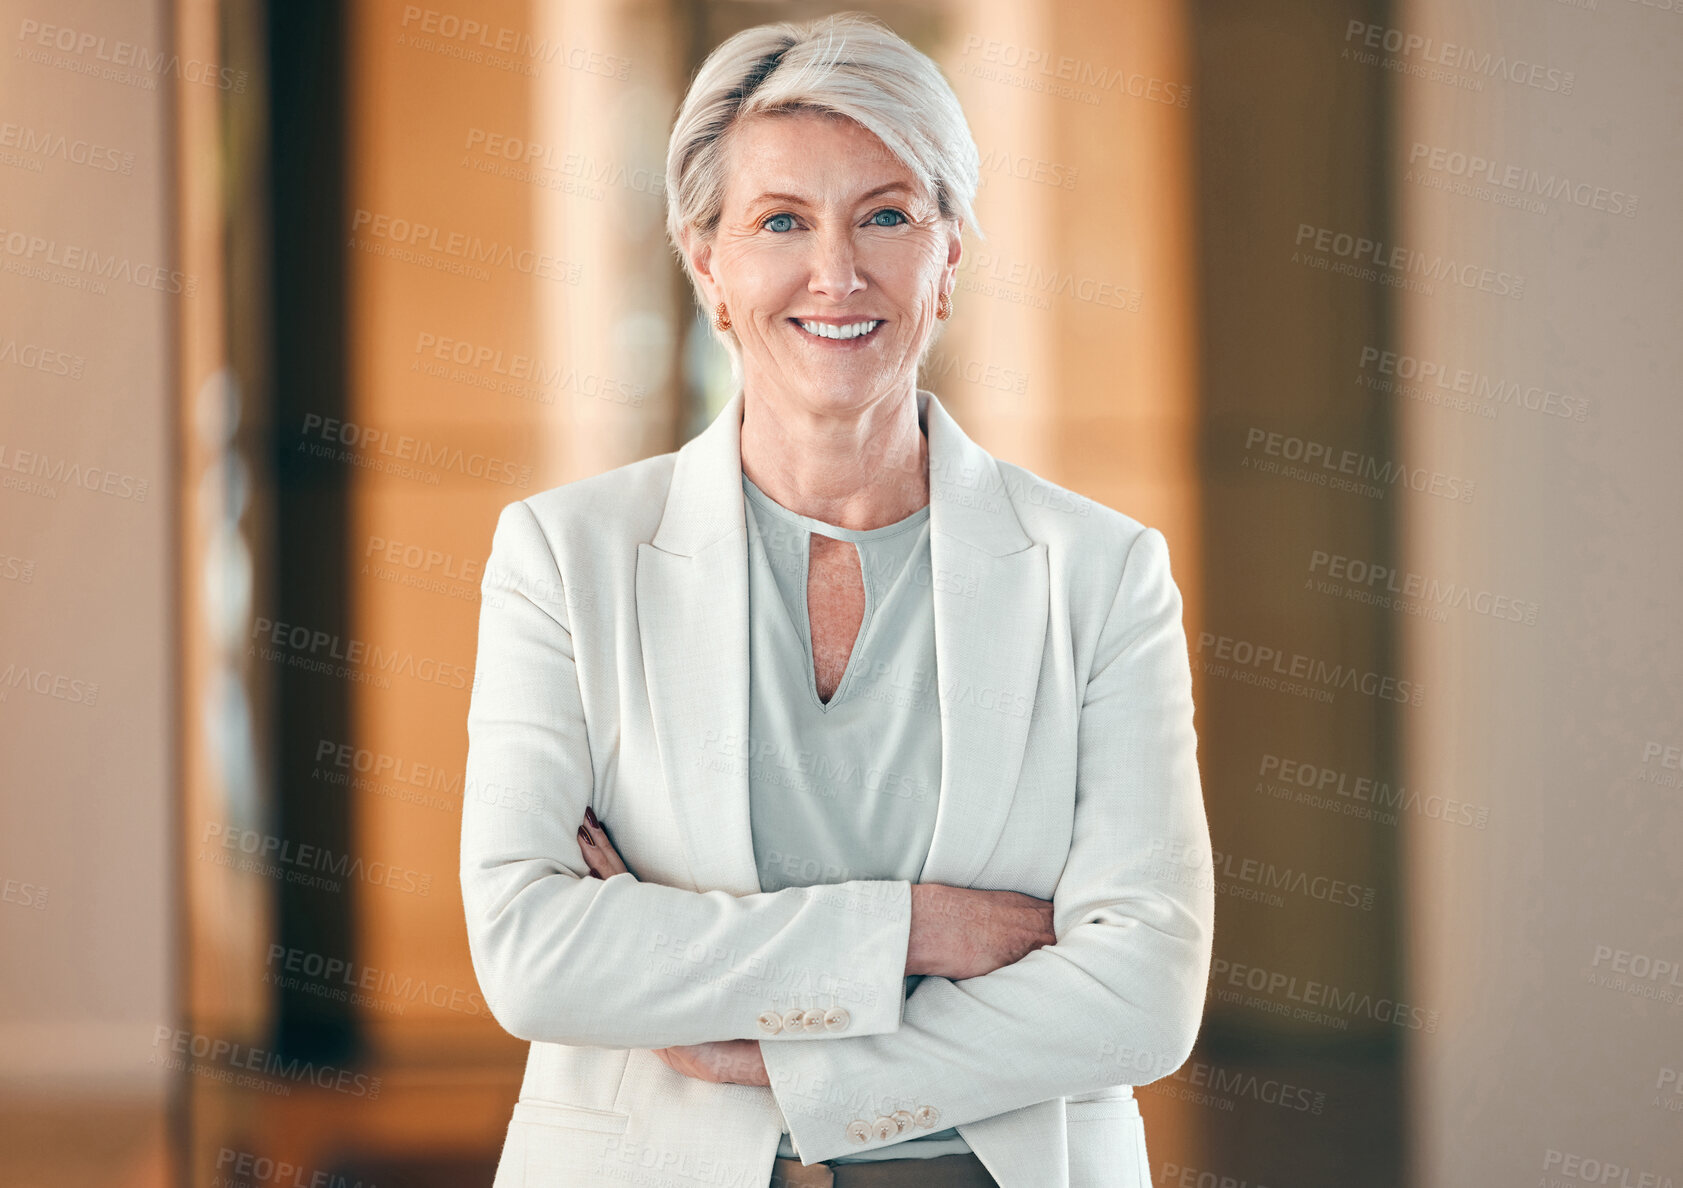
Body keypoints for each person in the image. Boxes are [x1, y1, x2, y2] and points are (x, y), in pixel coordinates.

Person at [460, 13, 1213, 1188]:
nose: (837, 273)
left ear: (949, 254)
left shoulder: (1102, 573)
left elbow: (1144, 992)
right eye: (779, 222)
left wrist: (776, 1057)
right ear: (705, 263)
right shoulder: (565, 559)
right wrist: (911, 932)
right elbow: (534, 951)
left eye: (887, 215)